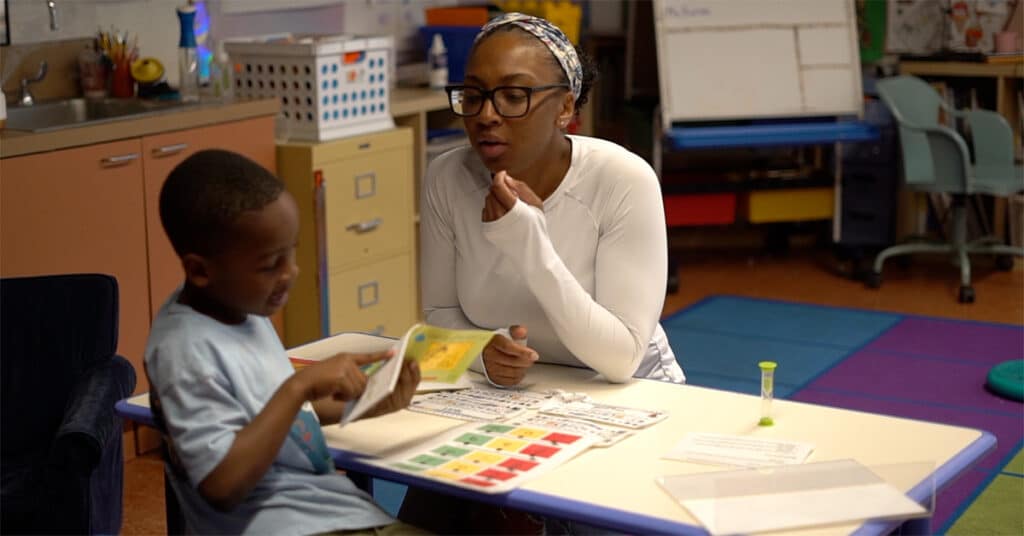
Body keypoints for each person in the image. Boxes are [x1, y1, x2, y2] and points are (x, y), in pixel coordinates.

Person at [144, 149, 426, 536]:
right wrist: (300, 386)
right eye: (269, 264)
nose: (290, 273)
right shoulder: (183, 351)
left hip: (325, 512)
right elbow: (220, 486)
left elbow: (282, 419)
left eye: (290, 253)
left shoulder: (240, 306)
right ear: (200, 270)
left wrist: (369, 400)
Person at [420, 12, 685, 388]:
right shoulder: (447, 177)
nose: (486, 115)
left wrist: (530, 245)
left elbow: (622, 359)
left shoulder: (623, 179)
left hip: (628, 390)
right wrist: (480, 352)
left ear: (564, 107)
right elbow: (439, 313)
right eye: (475, 95)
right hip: (524, 394)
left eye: (514, 96)